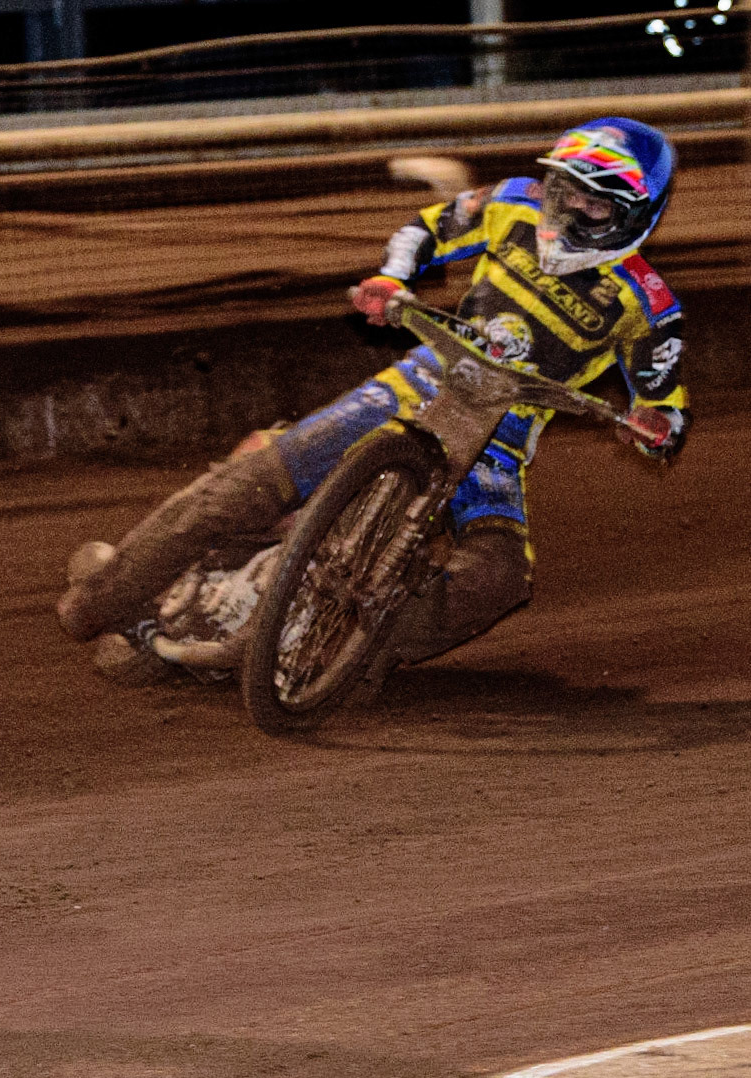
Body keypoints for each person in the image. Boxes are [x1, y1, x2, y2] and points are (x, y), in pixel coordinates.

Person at [58, 117, 689, 673]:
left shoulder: (648, 305)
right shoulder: (514, 202)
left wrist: (656, 425)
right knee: (249, 484)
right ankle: (98, 599)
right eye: (566, 191)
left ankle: (341, 649)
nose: (571, 211)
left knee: (500, 578)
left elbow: (665, 401)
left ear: (635, 214)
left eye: (594, 205)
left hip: (497, 443)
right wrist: (391, 279)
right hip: (416, 384)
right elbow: (428, 229)